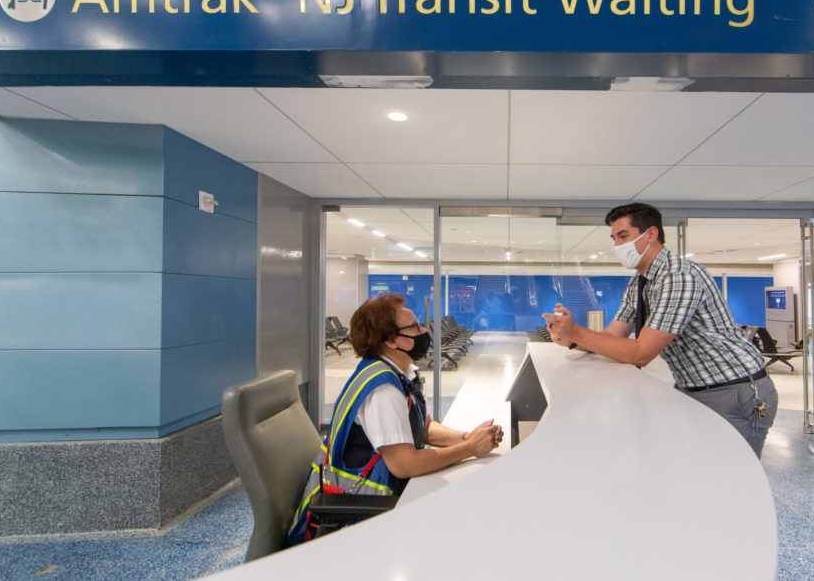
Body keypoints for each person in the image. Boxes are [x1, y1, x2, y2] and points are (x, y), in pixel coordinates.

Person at [542, 203, 778, 458]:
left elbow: (641, 353)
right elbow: (612, 337)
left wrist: (576, 332)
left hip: (733, 391)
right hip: (692, 388)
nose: (617, 246)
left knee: (730, 480)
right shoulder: (640, 282)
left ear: (651, 235)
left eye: (623, 236)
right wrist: (570, 339)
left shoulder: (679, 277)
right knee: (696, 473)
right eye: (614, 239)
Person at [289, 293, 503, 542]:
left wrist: (467, 437)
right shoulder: (382, 391)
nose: (423, 330)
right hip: (359, 514)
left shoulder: (400, 373)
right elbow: (405, 464)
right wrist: (469, 449)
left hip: (384, 496)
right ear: (391, 340)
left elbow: (424, 428)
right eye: (414, 327)